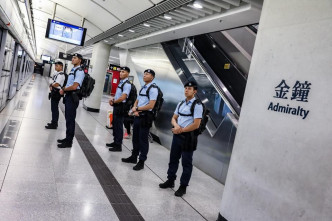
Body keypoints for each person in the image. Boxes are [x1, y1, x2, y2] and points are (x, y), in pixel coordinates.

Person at [159, 81, 203, 197]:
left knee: (186, 163)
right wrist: (176, 126)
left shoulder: (197, 105)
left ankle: (183, 186)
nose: (186, 90)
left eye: (189, 88)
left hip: (189, 138)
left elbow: (196, 124)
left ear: (195, 91)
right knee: (173, 159)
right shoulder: (181, 103)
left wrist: (181, 130)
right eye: (185, 88)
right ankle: (170, 180)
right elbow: (173, 118)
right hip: (177, 135)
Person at [122, 69, 158, 171]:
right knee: (135, 138)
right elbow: (137, 101)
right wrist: (135, 109)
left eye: (147, 74)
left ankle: (141, 161)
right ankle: (133, 157)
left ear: (152, 77)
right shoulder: (143, 88)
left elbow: (151, 105)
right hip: (138, 115)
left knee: (143, 140)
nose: (145, 75)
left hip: (145, 117)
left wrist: (137, 109)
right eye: (144, 73)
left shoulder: (153, 89)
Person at [57, 53, 85, 148]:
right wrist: (64, 89)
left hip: (73, 97)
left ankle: (69, 142)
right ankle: (67, 138)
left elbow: (75, 86)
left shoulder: (80, 71)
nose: (72, 59)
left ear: (80, 60)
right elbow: (70, 84)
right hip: (69, 96)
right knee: (68, 119)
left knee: (70, 119)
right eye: (72, 58)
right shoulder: (73, 69)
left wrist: (64, 89)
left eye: (75, 58)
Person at [106, 67, 131, 151]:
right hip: (117, 105)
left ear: (128, 73)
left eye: (123, 72)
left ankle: (118, 145)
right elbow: (118, 95)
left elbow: (123, 97)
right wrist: (113, 100)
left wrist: (114, 102)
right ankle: (115, 141)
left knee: (119, 126)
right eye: (120, 72)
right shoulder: (121, 83)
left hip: (121, 107)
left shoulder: (127, 84)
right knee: (115, 124)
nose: (121, 73)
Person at [45, 61, 65, 129]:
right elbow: (53, 82)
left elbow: (56, 84)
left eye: (57, 66)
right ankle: (53, 122)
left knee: (55, 108)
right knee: (53, 108)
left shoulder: (61, 75)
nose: (55, 67)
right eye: (55, 65)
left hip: (57, 92)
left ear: (61, 66)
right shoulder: (57, 73)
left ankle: (54, 124)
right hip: (54, 91)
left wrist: (51, 85)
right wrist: (52, 85)